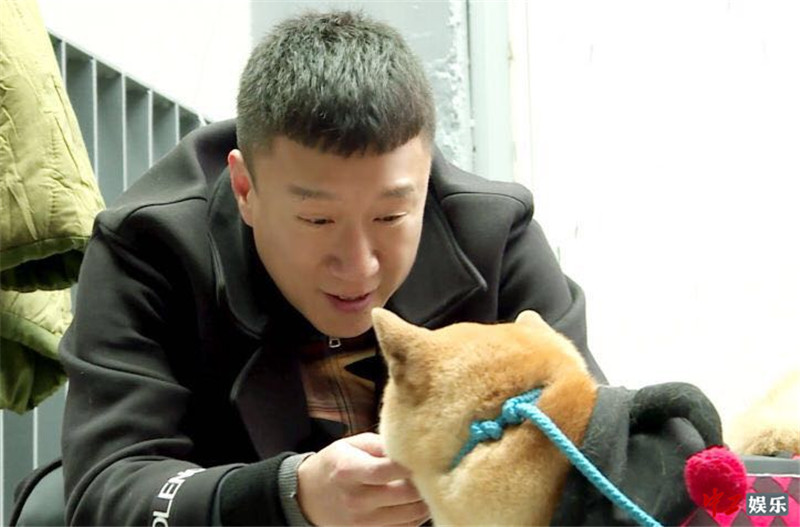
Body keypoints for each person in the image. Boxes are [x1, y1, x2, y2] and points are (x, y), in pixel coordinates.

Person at [60, 10, 605, 526]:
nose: (358, 266)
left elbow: (603, 449)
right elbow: (107, 490)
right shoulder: (151, 247)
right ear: (245, 189)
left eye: (391, 216)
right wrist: (286, 496)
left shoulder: (493, 234)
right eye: (317, 220)